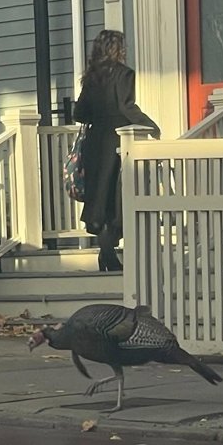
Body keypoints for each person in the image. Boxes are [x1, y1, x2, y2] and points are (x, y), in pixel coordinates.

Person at [73, 30, 159, 271]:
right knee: (117, 196)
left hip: (94, 142)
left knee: (99, 199)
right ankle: (109, 253)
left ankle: (107, 253)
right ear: (117, 48)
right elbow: (126, 106)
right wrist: (151, 126)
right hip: (116, 141)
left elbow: (78, 113)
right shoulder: (124, 74)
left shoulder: (91, 77)